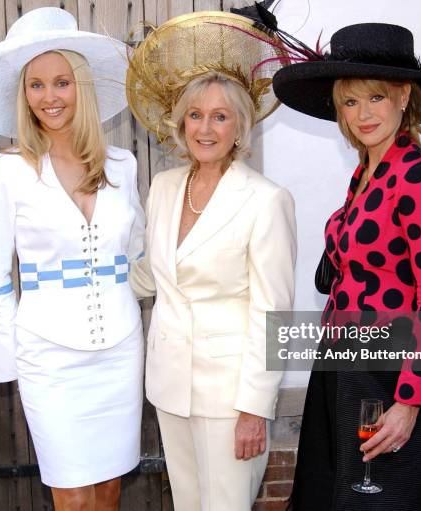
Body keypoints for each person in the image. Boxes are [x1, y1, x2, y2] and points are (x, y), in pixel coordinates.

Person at [272, 23, 421, 511]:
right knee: (326, 497)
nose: (362, 115)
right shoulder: (364, 174)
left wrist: (408, 402)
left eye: (375, 98)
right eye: (349, 102)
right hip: (339, 365)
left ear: (404, 96)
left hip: (389, 375)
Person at [0, 8, 144, 510]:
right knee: (73, 497)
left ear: (80, 86)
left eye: (61, 82)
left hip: (121, 350)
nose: (49, 97)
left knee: (108, 491)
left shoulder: (123, 167)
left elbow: (139, 256)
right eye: (36, 85)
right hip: (49, 356)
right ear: (23, 94)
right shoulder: (6, 172)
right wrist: (9, 355)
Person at [125, 12, 297, 511]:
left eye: (220, 116)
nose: (206, 127)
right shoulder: (163, 187)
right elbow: (149, 275)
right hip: (169, 387)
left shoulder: (266, 200)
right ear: (180, 122)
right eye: (196, 114)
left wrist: (253, 410)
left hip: (229, 399)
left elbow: (274, 316)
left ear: (240, 126)